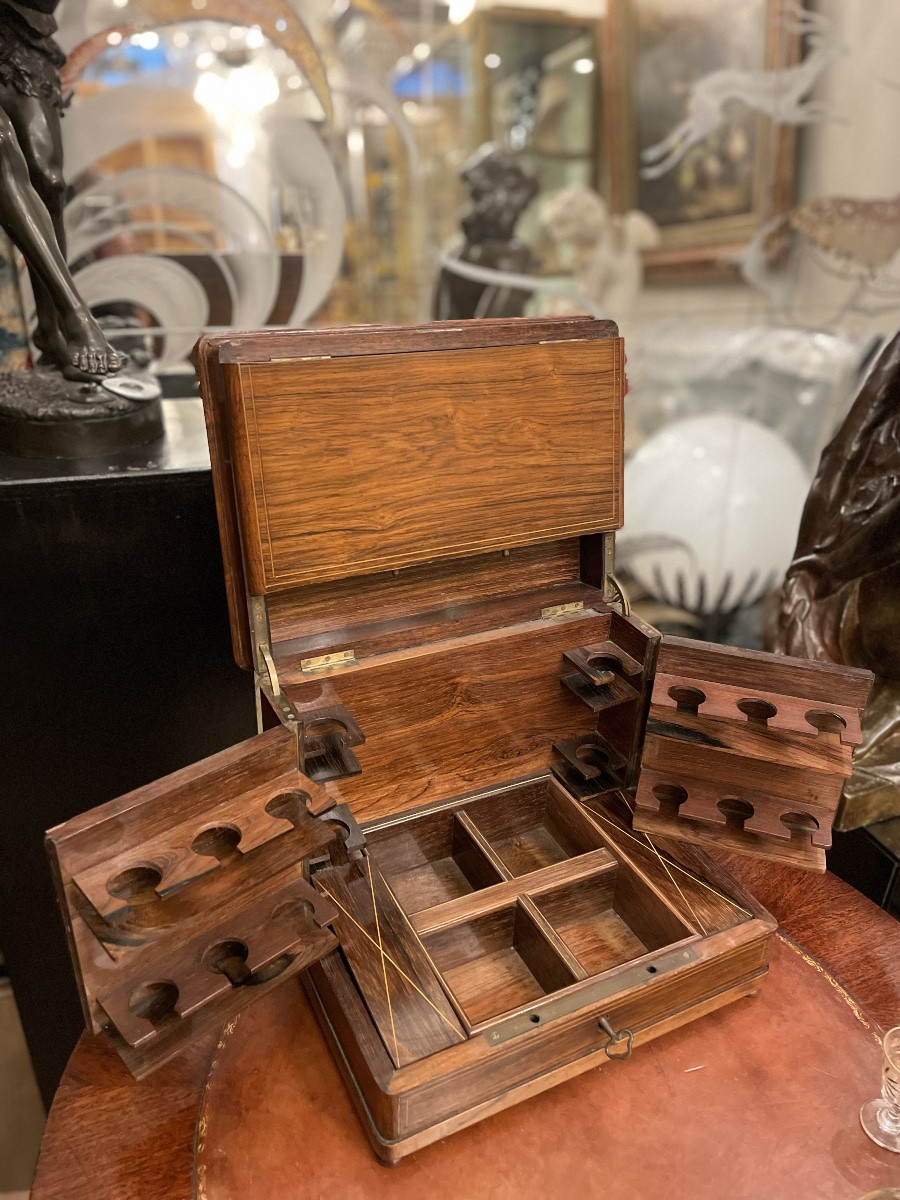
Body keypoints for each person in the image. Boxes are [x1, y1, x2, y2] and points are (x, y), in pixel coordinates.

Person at [0, 0, 121, 380]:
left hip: (16, 29)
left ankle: (51, 334)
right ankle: (76, 317)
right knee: (1, 145)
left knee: (48, 179)